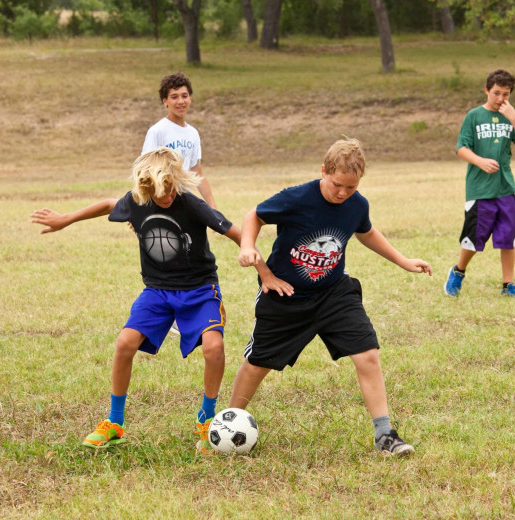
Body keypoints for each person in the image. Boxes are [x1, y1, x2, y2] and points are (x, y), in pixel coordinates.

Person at [30, 147, 274, 452]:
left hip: (199, 290)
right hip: (157, 291)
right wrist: (65, 219)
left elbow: (240, 235)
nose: (168, 197)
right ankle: (114, 422)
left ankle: (206, 419)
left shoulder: (191, 205)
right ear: (145, 188)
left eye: (172, 188)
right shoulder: (137, 201)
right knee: (124, 343)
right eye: (161, 192)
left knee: (214, 348)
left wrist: (263, 271)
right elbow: (109, 204)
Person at [228, 138, 432, 456]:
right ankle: (228, 425)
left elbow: (366, 231)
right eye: (337, 185)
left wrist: (403, 261)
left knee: (367, 354)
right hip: (288, 295)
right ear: (324, 171)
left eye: (351, 188)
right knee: (257, 364)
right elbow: (254, 216)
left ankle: (385, 435)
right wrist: (248, 248)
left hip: (335, 293)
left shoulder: (356, 204)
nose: (342, 194)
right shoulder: (296, 198)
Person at [444, 69, 515, 299]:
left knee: (507, 239)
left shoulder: (509, 115)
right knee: (474, 239)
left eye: (505, 94)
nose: (500, 99)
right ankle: (458, 271)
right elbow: (461, 148)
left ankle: (508, 285)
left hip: (505, 188)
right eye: (496, 93)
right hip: (480, 189)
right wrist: (480, 161)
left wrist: (514, 118)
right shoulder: (474, 116)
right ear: (486, 90)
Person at [143, 72, 216, 209]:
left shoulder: (193, 133)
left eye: (184, 96)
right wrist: (139, 209)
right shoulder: (158, 131)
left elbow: (196, 172)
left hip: (183, 202)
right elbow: (144, 172)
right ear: (165, 101)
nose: (181, 101)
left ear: (190, 99)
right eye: (174, 97)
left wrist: (212, 205)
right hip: (161, 202)